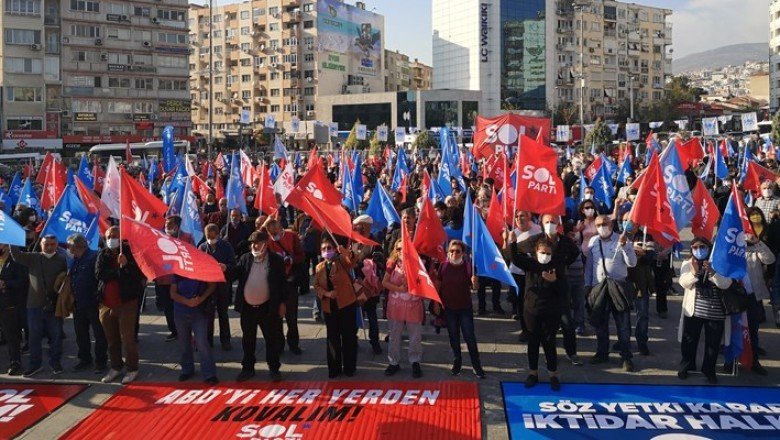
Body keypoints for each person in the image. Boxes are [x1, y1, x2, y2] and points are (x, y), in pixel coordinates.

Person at [512, 214, 583, 366]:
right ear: (542, 223)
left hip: (558, 287)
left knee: (567, 323)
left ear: (558, 223)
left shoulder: (565, 241)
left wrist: (562, 266)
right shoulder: (535, 239)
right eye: (547, 222)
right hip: (538, 291)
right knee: (541, 331)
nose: (550, 224)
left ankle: (571, 352)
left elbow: (575, 253)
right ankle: (537, 363)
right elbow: (516, 252)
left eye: (553, 221)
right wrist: (510, 242)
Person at [510, 238, 567, 390]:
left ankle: (553, 374)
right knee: (533, 342)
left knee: (549, 343)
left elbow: (564, 290)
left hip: (551, 312)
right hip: (531, 311)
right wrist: (511, 242)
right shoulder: (531, 264)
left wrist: (555, 281)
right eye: (542, 253)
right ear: (536, 252)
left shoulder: (557, 266)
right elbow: (514, 258)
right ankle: (533, 373)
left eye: (548, 253)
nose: (545, 256)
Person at [584, 215, 637, 372]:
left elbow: (632, 263)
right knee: (600, 323)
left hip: (618, 287)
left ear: (611, 224)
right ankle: (602, 353)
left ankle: (626, 357)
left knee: (623, 325)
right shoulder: (593, 242)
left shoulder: (622, 240)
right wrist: (587, 284)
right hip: (599, 287)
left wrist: (626, 247)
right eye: (599, 224)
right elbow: (590, 266)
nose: (602, 227)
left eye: (605, 224)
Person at [11, 234, 68, 377]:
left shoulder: (63, 260)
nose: (49, 247)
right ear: (41, 244)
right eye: (46, 244)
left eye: (52, 244)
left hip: (54, 305)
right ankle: (35, 364)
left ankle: (55, 362)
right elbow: (16, 256)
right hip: (34, 304)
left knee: (55, 336)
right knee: (34, 337)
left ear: (57, 245)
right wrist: (12, 239)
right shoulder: (33, 257)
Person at [678, 237, 732, 384]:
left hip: (716, 312)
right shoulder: (688, 263)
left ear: (709, 248)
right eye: (695, 247)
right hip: (694, 311)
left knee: (712, 345)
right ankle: (687, 366)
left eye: (702, 247)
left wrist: (713, 273)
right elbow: (683, 282)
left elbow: (726, 284)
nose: (698, 250)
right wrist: (695, 273)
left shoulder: (719, 263)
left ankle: (709, 370)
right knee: (689, 341)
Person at [234, 231, 287, 382]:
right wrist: (225, 269)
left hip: (268, 307)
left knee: (271, 339)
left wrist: (282, 303)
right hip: (248, 308)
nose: (254, 246)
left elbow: (283, 284)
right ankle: (248, 368)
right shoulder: (246, 258)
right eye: (252, 243)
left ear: (265, 243)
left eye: (257, 243)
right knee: (248, 340)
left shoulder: (275, 260)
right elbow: (236, 272)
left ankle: (274, 368)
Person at [96, 226, 145, 384]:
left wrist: (126, 265)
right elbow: (99, 274)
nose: (112, 239)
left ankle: (132, 368)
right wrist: (118, 272)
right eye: (109, 236)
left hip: (126, 303)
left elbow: (137, 276)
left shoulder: (131, 253)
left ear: (121, 237)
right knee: (111, 340)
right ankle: (116, 366)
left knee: (127, 339)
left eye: (115, 236)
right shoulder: (103, 254)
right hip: (106, 304)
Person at [434, 240, 484, 378]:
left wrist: (475, 282)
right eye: (451, 251)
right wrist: (436, 303)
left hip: (464, 309)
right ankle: (457, 361)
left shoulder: (469, 267)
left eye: (457, 251)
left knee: (469, 337)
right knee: (453, 337)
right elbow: (438, 285)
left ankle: (476, 364)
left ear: (463, 253)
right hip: (449, 309)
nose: (454, 253)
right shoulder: (443, 266)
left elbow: (475, 288)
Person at [314, 237, 359, 378]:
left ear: (334, 249)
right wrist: (326, 293)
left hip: (346, 304)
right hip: (329, 307)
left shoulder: (342, 261)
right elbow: (316, 286)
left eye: (329, 248)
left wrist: (345, 252)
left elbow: (353, 260)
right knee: (332, 338)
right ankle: (334, 368)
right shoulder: (319, 267)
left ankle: (349, 368)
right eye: (324, 249)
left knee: (348, 337)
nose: (326, 251)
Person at [382, 239, 425, 378]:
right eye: (399, 249)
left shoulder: (417, 263)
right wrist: (399, 288)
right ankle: (393, 362)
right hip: (396, 305)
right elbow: (384, 282)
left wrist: (413, 283)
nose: (402, 252)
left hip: (413, 304)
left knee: (415, 335)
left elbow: (424, 284)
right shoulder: (391, 263)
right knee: (394, 335)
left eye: (404, 249)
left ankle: (415, 362)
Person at [66, 233, 108, 373]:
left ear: (76, 245)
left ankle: (101, 362)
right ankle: (84, 359)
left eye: (69, 245)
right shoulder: (75, 260)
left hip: (93, 303)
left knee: (99, 334)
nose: (68, 248)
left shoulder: (94, 257)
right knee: (81, 334)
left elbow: (100, 278)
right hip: (78, 303)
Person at [265, 218, 305, 355]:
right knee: (276, 318)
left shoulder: (292, 237)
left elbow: (301, 255)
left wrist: (292, 259)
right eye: (270, 231)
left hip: (290, 282)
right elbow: (254, 241)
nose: (273, 233)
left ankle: (294, 344)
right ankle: (279, 344)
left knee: (291, 317)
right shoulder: (267, 241)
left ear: (280, 227)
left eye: (275, 230)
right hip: (275, 284)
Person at [170, 275, 218, 385]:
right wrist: (187, 301)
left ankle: (209, 373)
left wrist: (201, 298)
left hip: (199, 311)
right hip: (180, 311)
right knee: (184, 341)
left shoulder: (201, 267)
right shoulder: (178, 269)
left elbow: (212, 286)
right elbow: (172, 293)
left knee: (202, 342)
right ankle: (187, 369)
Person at [198, 223, 236, 350]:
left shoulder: (226, 247)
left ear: (218, 235)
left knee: (223, 314)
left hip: (222, 286)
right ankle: (208, 341)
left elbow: (233, 265)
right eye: (209, 237)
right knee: (208, 315)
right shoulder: (202, 247)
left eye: (213, 237)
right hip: (208, 286)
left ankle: (225, 340)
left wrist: (225, 267)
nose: (211, 240)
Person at [154, 217, 184, 342]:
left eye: (170, 224)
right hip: (163, 279)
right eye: (166, 224)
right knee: (168, 307)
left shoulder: (186, 238)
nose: (167, 226)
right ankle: (174, 330)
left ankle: (184, 330)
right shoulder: (159, 238)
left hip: (180, 279)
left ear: (177, 226)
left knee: (181, 306)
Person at [0, 243, 27, 375]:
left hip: (8, 305)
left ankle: (15, 362)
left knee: (11, 336)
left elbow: (23, 281)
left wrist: (5, 283)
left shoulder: (16, 260)